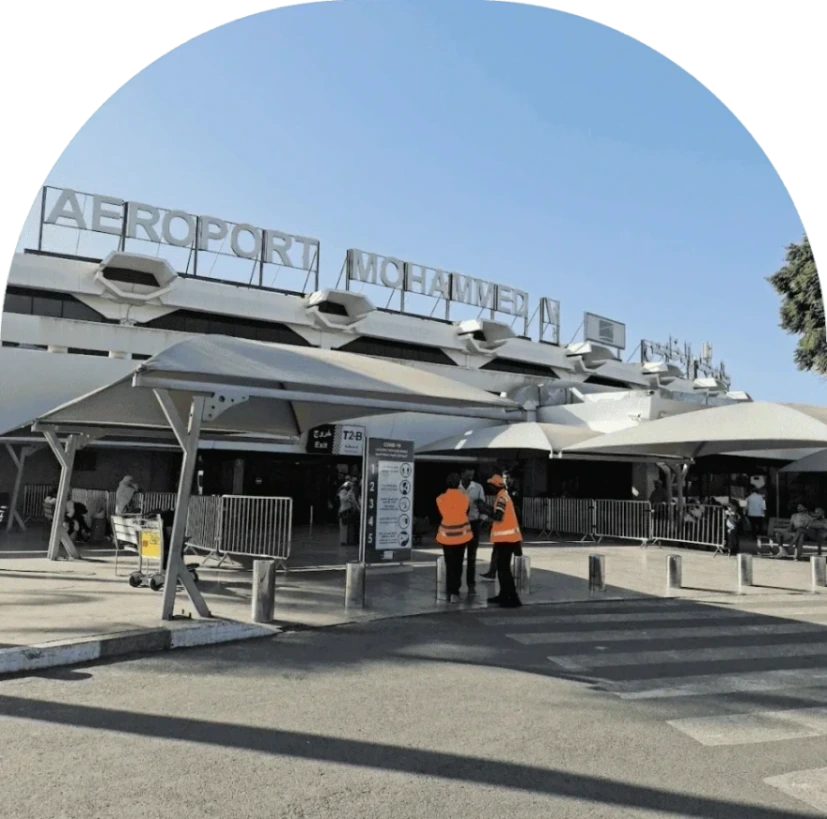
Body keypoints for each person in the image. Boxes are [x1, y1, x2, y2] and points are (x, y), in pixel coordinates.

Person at [486, 474, 523, 608]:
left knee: (503, 569)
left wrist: (485, 510)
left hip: (506, 540)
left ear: (495, 486)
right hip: (508, 539)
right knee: (503, 569)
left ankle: (512, 598)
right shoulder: (503, 495)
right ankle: (505, 595)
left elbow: (498, 516)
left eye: (491, 485)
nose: (489, 487)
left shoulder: (502, 498)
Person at [435, 473, 473, 603]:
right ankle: (455, 592)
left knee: (449, 563)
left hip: (446, 535)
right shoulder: (465, 498)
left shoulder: (440, 499)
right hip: (462, 535)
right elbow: (466, 512)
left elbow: (442, 514)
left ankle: (450, 590)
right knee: (458, 563)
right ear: (459, 484)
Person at [460, 468, 487, 594]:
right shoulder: (456, 486)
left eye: (472, 474)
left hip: (473, 523)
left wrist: (481, 520)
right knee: (458, 555)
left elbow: (482, 504)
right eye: (468, 474)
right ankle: (457, 583)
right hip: (459, 524)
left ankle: (471, 583)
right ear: (462, 474)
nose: (470, 477)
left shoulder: (478, 487)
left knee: (472, 555)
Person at [337, 481, 359, 546]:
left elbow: (354, 501)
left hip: (350, 510)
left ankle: (349, 540)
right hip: (344, 511)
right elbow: (343, 499)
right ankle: (343, 541)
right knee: (344, 526)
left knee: (350, 526)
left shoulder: (351, 492)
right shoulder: (343, 492)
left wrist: (357, 508)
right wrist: (349, 494)